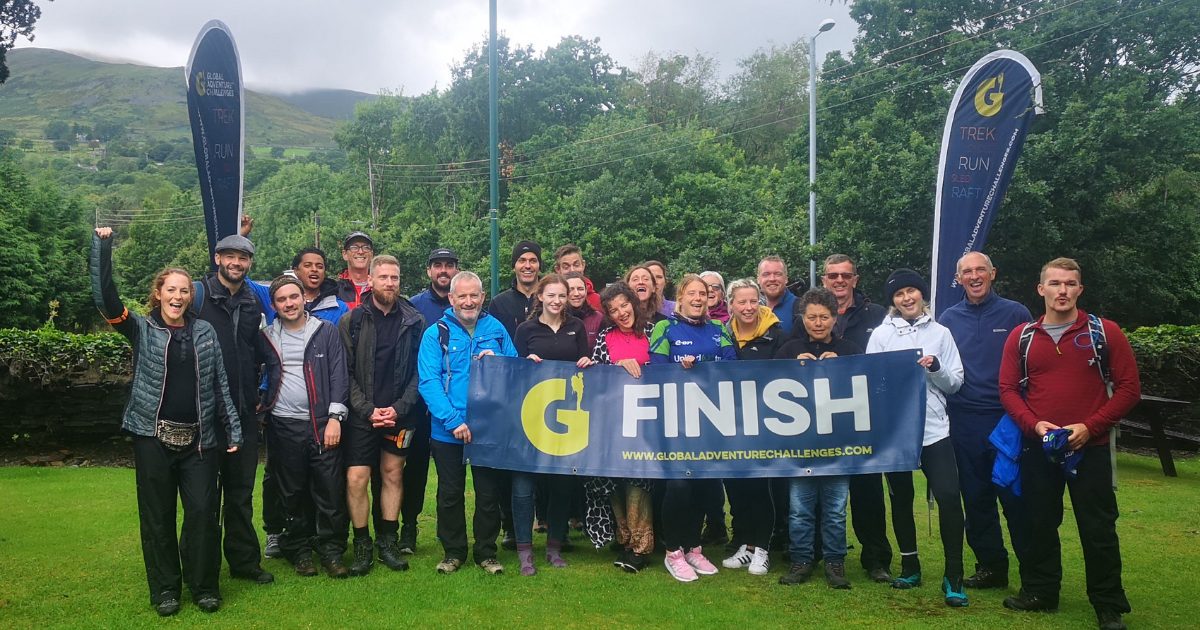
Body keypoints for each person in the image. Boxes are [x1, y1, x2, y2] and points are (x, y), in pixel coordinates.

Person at [91, 227, 242, 616]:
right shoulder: (140, 328)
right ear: (158, 294)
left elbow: (220, 385)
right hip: (151, 438)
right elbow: (106, 300)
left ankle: (204, 586)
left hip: (200, 441)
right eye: (170, 290)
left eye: (184, 291)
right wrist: (102, 247)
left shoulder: (204, 331)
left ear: (191, 297)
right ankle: (165, 591)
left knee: (202, 515)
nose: (177, 296)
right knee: (157, 518)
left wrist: (234, 430)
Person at [999, 258, 1140, 630]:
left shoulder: (1104, 332)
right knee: (1039, 523)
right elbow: (1008, 390)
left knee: (1098, 528)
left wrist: (1090, 427)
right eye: (1055, 283)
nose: (1062, 290)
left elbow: (1129, 389)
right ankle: (1041, 592)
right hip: (1039, 447)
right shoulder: (1022, 336)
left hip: (1089, 449)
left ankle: (1108, 604)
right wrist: (1034, 426)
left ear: (1080, 290)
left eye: (1070, 284)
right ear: (1040, 289)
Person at [866, 269, 969, 608]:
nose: (906, 298)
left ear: (922, 295)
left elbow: (955, 382)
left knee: (949, 497)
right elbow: (869, 380)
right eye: (899, 294)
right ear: (892, 301)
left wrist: (935, 366)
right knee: (900, 498)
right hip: (897, 431)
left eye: (912, 291)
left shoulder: (941, 333)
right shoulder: (882, 335)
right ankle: (910, 565)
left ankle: (954, 574)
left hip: (934, 430)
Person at [940, 252, 1033, 590]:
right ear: (959, 277)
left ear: (993, 273)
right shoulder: (948, 318)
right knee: (976, 499)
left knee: (1014, 498)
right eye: (967, 271)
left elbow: (1030, 366)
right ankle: (991, 567)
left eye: (981, 269)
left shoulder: (1016, 313)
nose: (975, 276)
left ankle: (1033, 573)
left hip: (1006, 420)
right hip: (963, 420)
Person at [418, 271, 517, 575]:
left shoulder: (496, 329)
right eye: (462, 296)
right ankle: (453, 552)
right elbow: (428, 381)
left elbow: (516, 373)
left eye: (474, 295)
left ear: (483, 297)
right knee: (450, 494)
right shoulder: (436, 333)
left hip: (488, 427)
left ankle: (486, 553)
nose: (468, 301)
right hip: (448, 429)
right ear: (451, 299)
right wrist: (452, 421)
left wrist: (498, 362)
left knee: (488, 494)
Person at [255, 275, 350, 579]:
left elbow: (339, 375)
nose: (289, 303)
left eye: (293, 297)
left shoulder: (325, 330)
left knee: (330, 491)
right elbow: (250, 370)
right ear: (273, 306)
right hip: (283, 425)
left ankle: (332, 551)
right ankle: (299, 550)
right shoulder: (267, 336)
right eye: (281, 300)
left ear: (304, 299)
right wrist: (258, 404)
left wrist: (335, 417)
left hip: (322, 424)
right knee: (291, 493)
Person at [194, 233, 275, 586]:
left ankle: (245, 562)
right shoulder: (196, 297)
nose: (236, 263)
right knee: (203, 499)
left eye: (243, 258)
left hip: (241, 414)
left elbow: (257, 350)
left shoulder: (251, 303)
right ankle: (204, 566)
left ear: (250, 264)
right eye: (229, 256)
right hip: (202, 414)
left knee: (241, 495)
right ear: (217, 258)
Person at [337, 255, 425, 576]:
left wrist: (399, 408)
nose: (390, 283)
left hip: (402, 414)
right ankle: (362, 543)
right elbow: (344, 374)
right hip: (362, 416)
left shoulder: (415, 322)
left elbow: (422, 372)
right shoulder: (353, 321)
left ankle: (388, 540)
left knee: (393, 474)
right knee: (356, 478)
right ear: (370, 281)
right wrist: (368, 409)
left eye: (395, 278)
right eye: (384, 277)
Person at [649, 274, 738, 581]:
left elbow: (732, 363)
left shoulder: (717, 328)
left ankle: (694, 549)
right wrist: (679, 369)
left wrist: (704, 367)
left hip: (709, 420)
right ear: (681, 297)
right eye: (692, 294)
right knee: (678, 486)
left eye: (705, 293)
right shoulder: (665, 327)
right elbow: (656, 370)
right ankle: (673, 552)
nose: (699, 298)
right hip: (675, 420)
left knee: (702, 485)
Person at [774, 288, 863, 590]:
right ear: (803, 318)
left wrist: (841, 366)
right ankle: (801, 561)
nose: (818, 323)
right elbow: (768, 387)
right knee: (800, 509)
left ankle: (835, 563)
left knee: (836, 510)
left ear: (835, 318)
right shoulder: (788, 349)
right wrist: (791, 367)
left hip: (839, 446)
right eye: (811, 317)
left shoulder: (850, 349)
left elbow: (865, 388)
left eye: (824, 317)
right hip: (800, 448)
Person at [511, 274, 595, 575]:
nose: (557, 301)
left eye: (563, 295)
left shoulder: (577, 327)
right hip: (531, 417)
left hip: (565, 418)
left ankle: (554, 548)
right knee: (523, 486)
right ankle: (524, 552)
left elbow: (585, 365)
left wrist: (587, 362)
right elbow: (513, 371)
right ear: (541, 297)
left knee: (562, 484)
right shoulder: (526, 330)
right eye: (552, 295)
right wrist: (525, 362)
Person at [815, 253, 892, 582]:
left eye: (846, 275)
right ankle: (818, 555)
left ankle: (876, 559)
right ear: (824, 280)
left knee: (867, 493)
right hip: (820, 419)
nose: (839, 281)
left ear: (855, 280)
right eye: (833, 276)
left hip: (863, 418)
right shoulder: (809, 314)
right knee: (819, 492)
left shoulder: (876, 315)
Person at [585, 282, 657, 573]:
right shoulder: (604, 337)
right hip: (614, 422)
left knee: (639, 482)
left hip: (647, 422)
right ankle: (625, 539)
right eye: (613, 310)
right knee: (614, 481)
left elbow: (665, 369)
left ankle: (641, 547)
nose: (621, 313)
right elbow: (599, 376)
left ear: (633, 302)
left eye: (624, 305)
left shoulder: (654, 332)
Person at [720, 278, 786, 577]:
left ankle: (763, 549)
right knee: (738, 489)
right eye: (741, 302)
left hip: (765, 425)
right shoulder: (722, 335)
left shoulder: (777, 336)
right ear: (730, 304)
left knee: (761, 488)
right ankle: (746, 546)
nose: (748, 307)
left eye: (752, 301)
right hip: (730, 425)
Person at [398, 247, 459, 555]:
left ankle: (447, 530)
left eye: (449, 265)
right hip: (420, 406)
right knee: (415, 469)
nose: (443, 270)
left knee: (454, 473)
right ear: (429, 271)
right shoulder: (414, 306)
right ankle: (409, 528)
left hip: (457, 407)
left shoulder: (465, 305)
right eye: (438, 265)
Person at [490, 240, 543, 338]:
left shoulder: (551, 300)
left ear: (539, 266)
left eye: (533, 261)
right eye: (522, 260)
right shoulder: (499, 303)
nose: (527, 266)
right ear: (514, 266)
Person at [292, 247, 350, 324]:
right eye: (307, 265)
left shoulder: (340, 308)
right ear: (296, 271)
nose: (314, 269)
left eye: (319, 267)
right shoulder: (285, 304)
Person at [553, 243, 602, 310]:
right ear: (558, 270)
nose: (572, 270)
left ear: (583, 265)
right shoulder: (552, 301)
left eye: (576, 265)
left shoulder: (597, 301)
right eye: (566, 267)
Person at [758, 256, 797, 334]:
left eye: (777, 274)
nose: (772, 279)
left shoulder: (800, 308)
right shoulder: (753, 309)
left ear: (786, 279)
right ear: (758, 279)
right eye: (766, 274)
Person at [565, 271, 603, 350]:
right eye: (571, 289)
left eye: (580, 289)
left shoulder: (598, 319)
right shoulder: (555, 318)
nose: (576, 293)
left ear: (586, 291)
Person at [337, 231, 374, 310]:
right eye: (354, 247)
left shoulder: (379, 289)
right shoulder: (335, 290)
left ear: (371, 255)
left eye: (365, 247)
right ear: (345, 254)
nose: (360, 252)